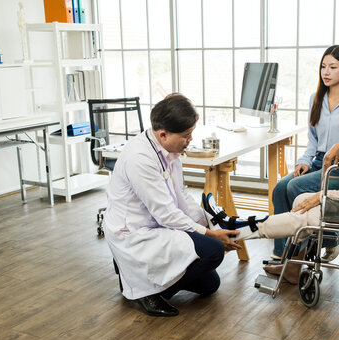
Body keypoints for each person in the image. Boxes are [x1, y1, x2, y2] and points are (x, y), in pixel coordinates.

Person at [203, 84, 339, 283]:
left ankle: (234, 228)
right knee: (301, 202)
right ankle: (293, 265)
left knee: (303, 216)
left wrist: (321, 196)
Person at [103, 93, 241, 317]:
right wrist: (209, 235)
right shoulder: (140, 158)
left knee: (210, 285)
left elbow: (181, 195)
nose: (190, 140)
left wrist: (206, 224)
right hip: (135, 232)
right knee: (213, 251)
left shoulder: (170, 151)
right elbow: (166, 214)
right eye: (186, 135)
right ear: (163, 134)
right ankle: (142, 291)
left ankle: (135, 274)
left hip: (158, 224)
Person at [271, 45, 339, 261]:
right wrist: (304, 161)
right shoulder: (316, 98)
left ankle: (320, 243)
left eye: (333, 67)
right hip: (319, 161)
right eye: (323, 67)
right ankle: (283, 253)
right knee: (280, 188)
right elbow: (313, 140)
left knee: (295, 186)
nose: (326, 72)